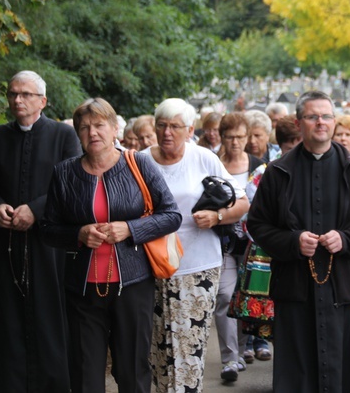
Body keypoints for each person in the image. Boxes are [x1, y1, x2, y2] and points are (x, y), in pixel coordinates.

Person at [247, 90, 350, 393]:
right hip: (294, 286)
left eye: (326, 116)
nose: (320, 122)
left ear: (335, 122)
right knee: (295, 375)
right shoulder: (278, 171)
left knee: (340, 370)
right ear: (299, 124)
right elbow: (258, 224)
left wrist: (347, 238)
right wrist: (292, 241)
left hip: (341, 285)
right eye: (312, 117)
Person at [41, 98, 181, 392]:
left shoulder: (138, 163)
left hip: (132, 285)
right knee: (84, 373)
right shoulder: (64, 173)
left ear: (114, 127)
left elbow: (171, 215)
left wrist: (129, 228)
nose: (93, 133)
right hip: (82, 289)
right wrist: (78, 234)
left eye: (99, 125)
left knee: (132, 370)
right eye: (84, 127)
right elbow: (47, 230)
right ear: (78, 134)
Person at [0, 70, 81, 392]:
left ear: (43, 101)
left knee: (50, 322)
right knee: (7, 324)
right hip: (8, 246)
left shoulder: (64, 136)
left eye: (25, 94)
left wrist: (35, 210)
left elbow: (74, 187)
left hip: (49, 249)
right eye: (12, 94)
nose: (17, 100)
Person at [143, 98, 250, 393]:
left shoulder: (204, 158)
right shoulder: (139, 160)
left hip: (198, 265)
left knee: (190, 347)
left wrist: (217, 216)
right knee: (158, 347)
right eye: (162, 125)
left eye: (175, 126)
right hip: (151, 265)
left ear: (190, 130)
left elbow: (242, 202)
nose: (167, 132)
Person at [214, 112, 265, 380]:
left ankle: (243, 347)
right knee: (224, 296)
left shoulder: (260, 165)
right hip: (223, 242)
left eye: (240, 137)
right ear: (222, 137)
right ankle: (229, 359)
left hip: (253, 244)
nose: (235, 142)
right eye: (230, 136)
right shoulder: (213, 163)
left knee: (244, 297)